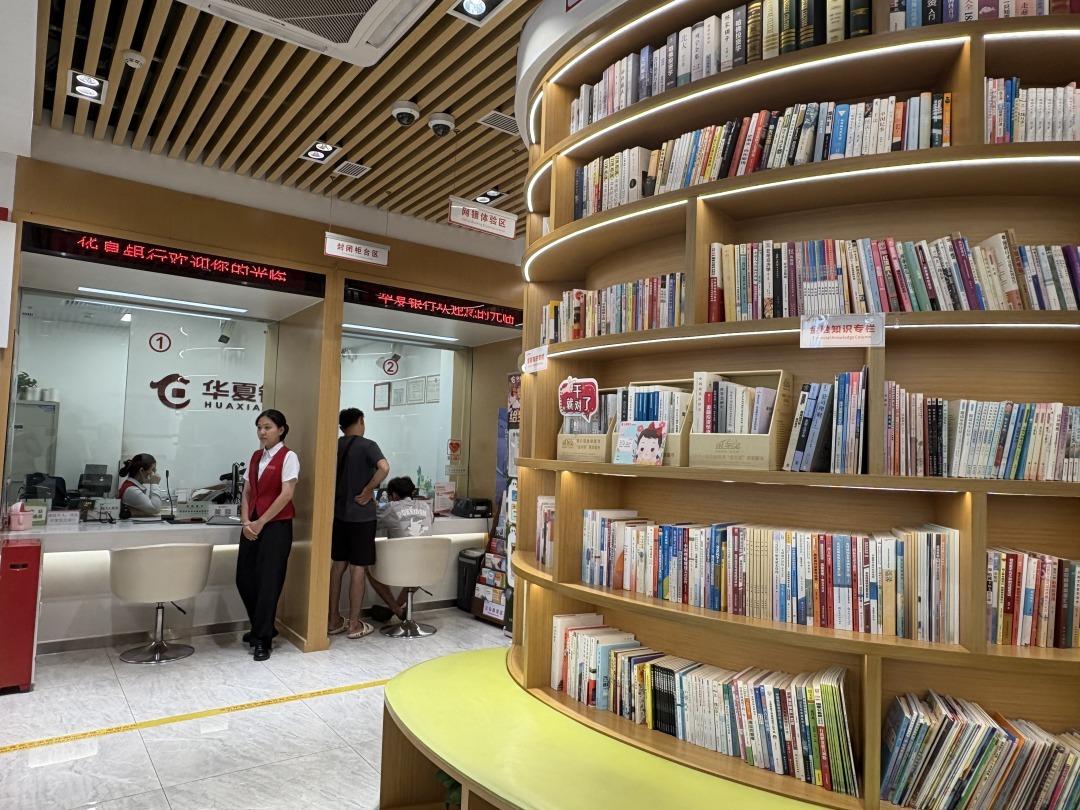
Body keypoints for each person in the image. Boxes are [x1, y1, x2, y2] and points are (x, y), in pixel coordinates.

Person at [237, 409, 298, 661]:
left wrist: (261, 522)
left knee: (269, 583)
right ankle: (262, 627)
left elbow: (287, 494)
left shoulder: (288, 456)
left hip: (276, 527)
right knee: (244, 579)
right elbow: (247, 491)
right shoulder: (255, 456)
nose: (262, 432)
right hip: (251, 525)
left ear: (281, 430)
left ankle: (262, 639)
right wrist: (245, 521)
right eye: (259, 427)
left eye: (267, 427)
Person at [328, 408, 388, 640]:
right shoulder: (368, 445)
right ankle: (354, 624)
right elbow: (384, 467)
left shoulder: (334, 445)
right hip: (361, 516)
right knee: (358, 568)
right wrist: (369, 489)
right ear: (361, 421)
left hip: (338, 515)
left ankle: (333, 620)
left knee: (338, 566)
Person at [368, 476, 434, 622]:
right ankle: (397, 609)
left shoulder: (391, 507)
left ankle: (395, 609)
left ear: (394, 495)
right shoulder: (426, 506)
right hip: (427, 566)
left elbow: (373, 521)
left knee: (368, 567)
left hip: (400, 566)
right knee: (418, 570)